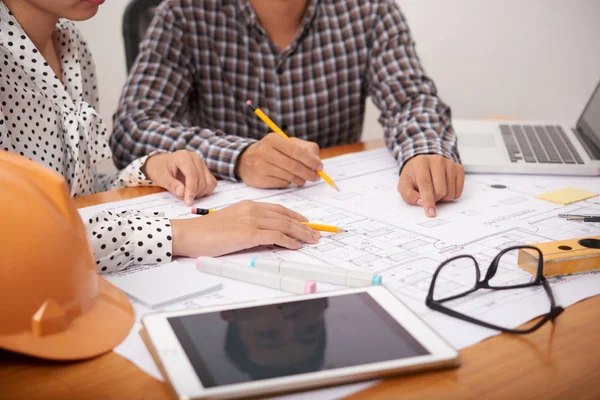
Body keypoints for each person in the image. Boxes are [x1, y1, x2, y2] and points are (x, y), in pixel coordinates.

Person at [0, 0, 320, 274]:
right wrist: (178, 234)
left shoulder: (69, 43)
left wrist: (146, 170)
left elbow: (72, 197)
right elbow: (16, 237)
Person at [112, 0, 465, 219]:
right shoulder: (184, 12)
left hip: (337, 212)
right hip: (225, 220)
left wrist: (424, 150)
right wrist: (239, 157)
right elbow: (132, 126)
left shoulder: (369, 9)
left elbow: (411, 100)